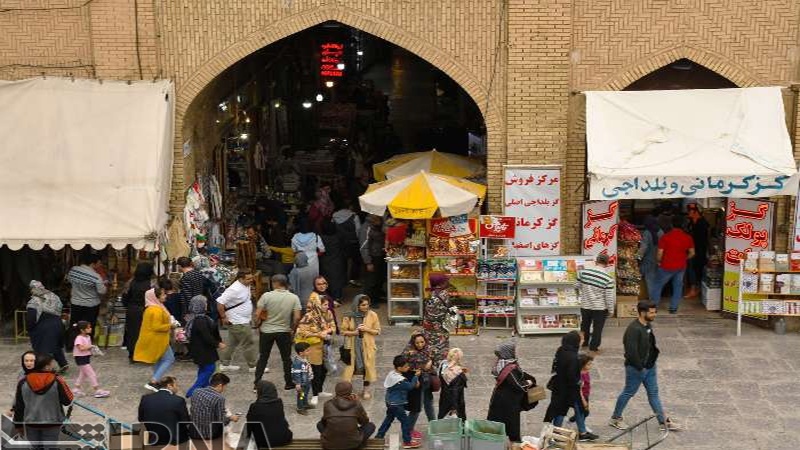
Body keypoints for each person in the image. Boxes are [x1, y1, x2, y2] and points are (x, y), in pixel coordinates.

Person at [609, 301, 680, 432]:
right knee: (628, 392)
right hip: (636, 369)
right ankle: (615, 418)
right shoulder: (633, 329)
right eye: (651, 312)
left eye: (654, 312)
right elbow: (631, 352)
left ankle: (663, 422)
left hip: (650, 366)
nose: (654, 314)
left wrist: (651, 362)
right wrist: (640, 368)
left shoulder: (647, 325)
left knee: (653, 393)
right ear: (642, 313)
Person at [544, 331, 598, 442]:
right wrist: (579, 382)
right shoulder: (573, 357)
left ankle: (580, 432)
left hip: (560, 385)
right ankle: (557, 433)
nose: (582, 341)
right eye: (581, 339)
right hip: (568, 389)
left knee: (569, 409)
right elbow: (571, 376)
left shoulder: (561, 350)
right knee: (565, 409)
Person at [13, 353, 74, 450]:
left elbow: (19, 406)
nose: (53, 365)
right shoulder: (57, 380)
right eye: (52, 363)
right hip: (52, 422)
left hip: (31, 423)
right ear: (46, 366)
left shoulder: (23, 382)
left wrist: (18, 425)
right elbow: (67, 400)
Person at [254, 274, 302, 391]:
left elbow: (257, 314)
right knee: (286, 358)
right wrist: (293, 329)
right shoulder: (294, 298)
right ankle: (288, 383)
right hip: (284, 331)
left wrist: (257, 325)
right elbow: (297, 317)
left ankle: (257, 384)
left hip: (266, 331)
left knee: (263, 357)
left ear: (275, 283)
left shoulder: (266, 296)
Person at [487, 340, 535, 443]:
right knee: (511, 423)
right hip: (509, 401)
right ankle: (514, 443)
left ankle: (495, 440)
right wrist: (529, 382)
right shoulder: (509, 368)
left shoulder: (502, 362)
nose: (515, 351)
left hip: (500, 397)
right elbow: (518, 385)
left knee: (498, 420)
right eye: (513, 350)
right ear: (508, 352)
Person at [295, 293, 336, 405]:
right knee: (316, 371)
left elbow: (333, 327)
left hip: (325, 345)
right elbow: (302, 331)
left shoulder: (328, 313)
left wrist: (326, 331)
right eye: (324, 305)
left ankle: (320, 390)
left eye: (327, 304)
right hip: (314, 347)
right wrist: (318, 334)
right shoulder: (308, 316)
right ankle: (314, 395)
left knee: (324, 369)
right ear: (317, 305)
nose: (327, 307)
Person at [134, 287, 177, 391]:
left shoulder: (151, 308)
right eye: (163, 294)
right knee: (169, 359)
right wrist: (171, 325)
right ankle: (153, 381)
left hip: (155, 339)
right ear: (155, 297)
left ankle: (157, 381)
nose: (165, 296)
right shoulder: (156, 310)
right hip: (158, 339)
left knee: (159, 359)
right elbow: (156, 326)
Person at [375, 355, 421, 449]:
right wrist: (416, 377)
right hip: (397, 404)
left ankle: (379, 437)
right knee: (405, 422)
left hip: (390, 402)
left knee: (388, 419)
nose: (408, 367)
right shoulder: (399, 381)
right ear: (399, 368)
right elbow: (410, 386)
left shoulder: (392, 374)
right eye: (406, 366)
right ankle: (407, 442)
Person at [340, 294, 381, 399]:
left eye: (367, 304)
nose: (366, 307)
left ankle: (366, 390)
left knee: (367, 368)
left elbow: (377, 331)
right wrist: (354, 332)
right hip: (352, 346)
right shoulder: (348, 316)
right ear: (357, 305)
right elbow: (343, 331)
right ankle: (348, 391)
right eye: (363, 305)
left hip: (367, 347)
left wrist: (366, 329)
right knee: (350, 369)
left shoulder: (373, 315)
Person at [216, 270, 258, 372]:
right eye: (248, 279)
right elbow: (220, 303)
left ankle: (225, 364)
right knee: (248, 343)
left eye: (251, 278)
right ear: (240, 279)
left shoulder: (245, 285)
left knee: (232, 343)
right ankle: (253, 366)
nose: (251, 280)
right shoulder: (234, 289)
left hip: (240, 320)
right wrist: (223, 317)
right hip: (238, 321)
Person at [186, 295, 225, 398]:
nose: (207, 304)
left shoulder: (196, 318)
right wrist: (217, 344)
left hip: (199, 350)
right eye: (205, 303)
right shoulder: (201, 320)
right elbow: (206, 336)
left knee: (203, 370)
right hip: (204, 351)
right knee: (209, 369)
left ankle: (205, 390)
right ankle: (192, 391)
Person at [654, 215, 695, 313]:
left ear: (671, 224)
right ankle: (673, 308)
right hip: (681, 266)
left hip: (666, 266)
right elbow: (692, 253)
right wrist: (684, 258)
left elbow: (659, 253)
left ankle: (654, 307)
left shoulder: (665, 237)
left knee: (657, 285)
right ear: (683, 225)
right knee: (677, 286)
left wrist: (658, 261)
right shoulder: (688, 237)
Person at [318, 381, 376, 450]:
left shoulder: (328, 404)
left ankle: (333, 439)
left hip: (329, 445)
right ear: (350, 392)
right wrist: (357, 403)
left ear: (336, 391)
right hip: (354, 445)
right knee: (371, 426)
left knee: (319, 424)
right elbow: (365, 422)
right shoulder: (356, 404)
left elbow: (324, 423)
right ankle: (358, 442)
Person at [26, 280, 68, 371]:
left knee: (42, 349)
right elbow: (60, 307)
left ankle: (46, 368)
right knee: (55, 345)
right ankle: (63, 364)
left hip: (44, 328)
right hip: (58, 324)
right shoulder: (54, 296)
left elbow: (31, 318)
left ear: (32, 289)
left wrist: (29, 329)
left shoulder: (34, 301)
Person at [576, 254, 615, 353]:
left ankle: (584, 344)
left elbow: (576, 285)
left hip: (585, 305)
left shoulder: (583, 272)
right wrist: (611, 310)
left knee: (584, 326)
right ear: (607, 264)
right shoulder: (608, 278)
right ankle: (593, 348)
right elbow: (609, 297)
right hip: (599, 308)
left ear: (596, 261)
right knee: (597, 328)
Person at [137, 376, 190, 447]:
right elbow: (185, 421)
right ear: (169, 386)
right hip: (175, 438)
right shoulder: (178, 400)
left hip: (153, 438)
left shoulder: (145, 398)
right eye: (176, 385)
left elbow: (141, 418)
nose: (177, 388)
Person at [402, 333, 435, 435]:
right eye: (417, 343)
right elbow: (402, 366)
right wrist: (418, 369)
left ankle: (434, 426)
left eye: (422, 342)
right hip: (416, 382)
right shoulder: (408, 352)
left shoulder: (429, 349)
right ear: (413, 342)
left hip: (426, 381)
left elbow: (436, 360)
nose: (420, 345)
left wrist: (431, 362)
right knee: (416, 407)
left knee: (429, 404)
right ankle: (408, 430)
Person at [190, 373, 238, 442]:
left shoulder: (196, 391)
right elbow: (221, 421)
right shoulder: (219, 398)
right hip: (209, 435)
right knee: (227, 417)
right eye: (225, 386)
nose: (225, 389)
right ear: (220, 385)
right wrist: (231, 418)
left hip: (194, 432)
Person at [67, 253, 107, 335]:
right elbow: (102, 291)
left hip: (75, 303)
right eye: (99, 263)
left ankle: (72, 341)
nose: (100, 265)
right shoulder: (95, 276)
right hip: (90, 306)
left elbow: (69, 280)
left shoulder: (73, 270)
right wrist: (104, 284)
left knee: (75, 325)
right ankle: (86, 342)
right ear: (92, 263)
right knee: (88, 327)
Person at [121, 262, 154, 362]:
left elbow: (125, 297)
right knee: (146, 332)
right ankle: (144, 353)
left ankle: (132, 353)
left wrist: (128, 306)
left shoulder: (130, 282)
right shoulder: (151, 283)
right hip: (147, 310)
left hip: (132, 310)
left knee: (132, 332)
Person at [246, 380, 293, 448]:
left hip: (263, 442)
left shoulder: (255, 406)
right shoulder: (279, 403)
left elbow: (250, 424)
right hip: (283, 439)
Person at [71, 321, 110, 398]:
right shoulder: (79, 338)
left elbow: (87, 347)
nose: (90, 329)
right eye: (88, 328)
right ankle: (97, 390)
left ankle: (76, 389)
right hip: (80, 358)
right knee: (91, 374)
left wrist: (92, 349)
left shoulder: (88, 337)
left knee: (83, 374)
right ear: (82, 330)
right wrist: (91, 346)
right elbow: (81, 348)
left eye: (90, 327)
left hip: (85, 357)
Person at [332, 199, 363, 285]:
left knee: (342, 261)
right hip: (353, 242)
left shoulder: (334, 215)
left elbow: (333, 228)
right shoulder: (354, 216)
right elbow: (358, 230)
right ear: (350, 206)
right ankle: (353, 279)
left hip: (340, 242)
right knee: (356, 261)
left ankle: (343, 279)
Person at [359, 214, 386, 304]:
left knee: (379, 279)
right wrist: (368, 262)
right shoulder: (366, 228)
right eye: (379, 218)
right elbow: (364, 246)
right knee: (371, 281)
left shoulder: (378, 226)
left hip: (379, 255)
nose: (381, 219)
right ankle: (370, 301)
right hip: (371, 257)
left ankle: (376, 297)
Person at [320, 221, 348, 304]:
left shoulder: (321, 238)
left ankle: (327, 297)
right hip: (337, 261)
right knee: (337, 280)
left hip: (324, 261)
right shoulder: (339, 237)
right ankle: (337, 298)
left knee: (326, 278)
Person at [637, 215, 663, 303]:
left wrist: (638, 257)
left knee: (650, 281)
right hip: (660, 260)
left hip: (649, 260)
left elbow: (643, 248)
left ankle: (653, 302)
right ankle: (656, 299)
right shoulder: (661, 231)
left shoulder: (647, 233)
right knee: (657, 281)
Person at [685, 203, 709, 299]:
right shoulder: (692, 222)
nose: (688, 213)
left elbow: (701, 240)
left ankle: (694, 290)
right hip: (692, 250)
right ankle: (695, 289)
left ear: (695, 212)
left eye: (689, 211)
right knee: (692, 269)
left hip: (699, 251)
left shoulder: (702, 223)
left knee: (694, 270)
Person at [437, 347, 468, 420]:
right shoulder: (458, 372)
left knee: (442, 417)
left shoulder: (443, 366)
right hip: (456, 402)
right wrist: (454, 407)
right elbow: (455, 391)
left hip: (444, 397)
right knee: (457, 422)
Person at [569, 354, 595, 431]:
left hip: (586, 394)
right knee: (584, 412)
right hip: (581, 396)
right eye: (588, 364)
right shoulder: (580, 376)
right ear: (582, 365)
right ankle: (581, 427)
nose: (591, 366)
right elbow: (579, 390)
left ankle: (576, 421)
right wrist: (583, 401)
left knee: (583, 412)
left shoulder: (586, 372)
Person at [178, 256, 206, 324]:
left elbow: (187, 296)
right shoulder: (199, 273)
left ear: (179, 266)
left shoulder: (186, 277)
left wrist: (187, 312)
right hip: (201, 303)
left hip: (191, 307)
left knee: (189, 325)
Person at [292, 342, 314, 415]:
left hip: (307, 380)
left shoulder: (304, 359)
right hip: (302, 383)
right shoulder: (297, 363)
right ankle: (300, 407)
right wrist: (298, 383)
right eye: (307, 350)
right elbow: (296, 373)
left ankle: (305, 404)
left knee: (305, 393)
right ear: (301, 353)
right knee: (301, 395)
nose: (309, 352)